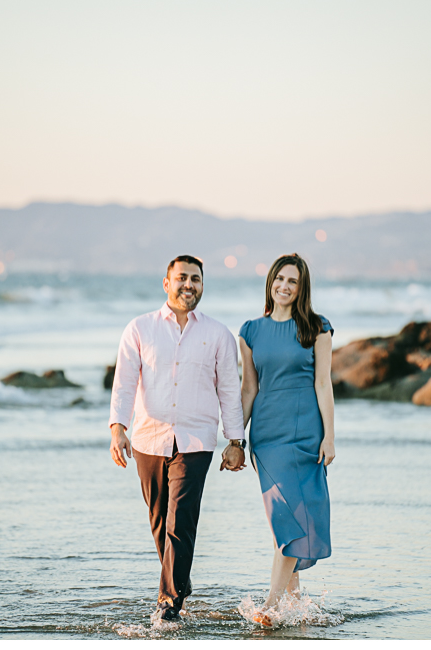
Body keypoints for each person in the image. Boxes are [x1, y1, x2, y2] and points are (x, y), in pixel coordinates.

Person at [109, 255, 246, 622]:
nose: (189, 284)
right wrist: (117, 429)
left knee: (180, 519)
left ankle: (168, 603)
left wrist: (235, 441)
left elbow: (229, 390)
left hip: (196, 440)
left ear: (203, 285)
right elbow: (123, 384)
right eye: (182, 278)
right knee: (158, 520)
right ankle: (180, 582)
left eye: (196, 279)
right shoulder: (139, 328)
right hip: (147, 439)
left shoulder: (217, 334)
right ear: (166, 283)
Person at [239, 254, 335, 628]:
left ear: (301, 288)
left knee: (293, 521)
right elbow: (249, 388)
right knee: (285, 521)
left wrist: (330, 436)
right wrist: (235, 437)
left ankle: (272, 606)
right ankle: (296, 608)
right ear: (270, 282)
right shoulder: (250, 331)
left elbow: (323, 383)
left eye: (293, 281)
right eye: (280, 279)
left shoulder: (316, 327)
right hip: (267, 439)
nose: (285, 286)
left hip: (306, 437)